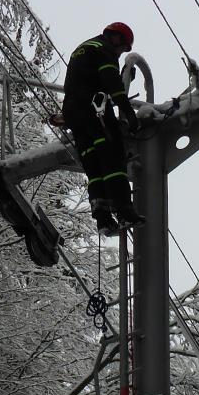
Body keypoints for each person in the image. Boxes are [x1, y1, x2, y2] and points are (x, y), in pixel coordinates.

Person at [61, 21, 143, 235]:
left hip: (73, 113)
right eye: (122, 48)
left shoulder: (84, 48)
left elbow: (86, 79)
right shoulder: (104, 50)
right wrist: (129, 112)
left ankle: (103, 217)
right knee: (112, 154)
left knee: (93, 162)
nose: (120, 53)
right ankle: (124, 209)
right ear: (116, 38)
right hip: (94, 108)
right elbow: (112, 85)